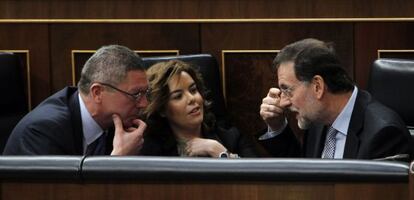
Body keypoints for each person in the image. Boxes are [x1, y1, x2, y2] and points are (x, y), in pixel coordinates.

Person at [258, 38, 413, 160]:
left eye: (288, 90)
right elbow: (303, 174)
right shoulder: (318, 116)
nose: (283, 102)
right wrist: (277, 127)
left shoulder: (384, 135)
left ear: (317, 87)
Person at [3, 45, 148, 155]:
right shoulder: (43, 132)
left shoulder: (120, 126)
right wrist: (119, 161)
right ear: (97, 93)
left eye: (145, 93)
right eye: (135, 94)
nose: (144, 103)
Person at [140, 60, 258, 158]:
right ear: (162, 110)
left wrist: (218, 151)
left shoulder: (231, 137)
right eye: (178, 96)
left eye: (193, 90)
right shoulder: (150, 149)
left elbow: (258, 179)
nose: (192, 98)